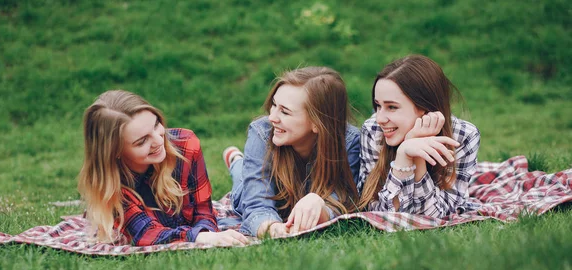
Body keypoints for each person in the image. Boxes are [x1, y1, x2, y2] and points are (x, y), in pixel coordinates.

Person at [78, 90, 248, 246]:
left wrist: (208, 233)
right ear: (115, 152)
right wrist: (197, 236)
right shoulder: (112, 185)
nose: (159, 141)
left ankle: (236, 162)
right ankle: (237, 162)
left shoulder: (185, 144)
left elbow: (203, 209)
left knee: (247, 190)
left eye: (156, 124)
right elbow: (146, 232)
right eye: (142, 141)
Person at [223, 66, 360, 238]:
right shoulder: (262, 133)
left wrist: (321, 207)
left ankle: (238, 161)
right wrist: (273, 228)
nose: (272, 117)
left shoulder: (350, 142)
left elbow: (346, 198)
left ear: (317, 123)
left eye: (285, 112)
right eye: (274, 105)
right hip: (252, 187)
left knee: (244, 170)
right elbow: (255, 203)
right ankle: (236, 161)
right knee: (241, 184)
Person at [358, 55, 481, 217]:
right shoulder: (373, 131)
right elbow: (381, 213)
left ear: (424, 107)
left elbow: (434, 215)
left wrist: (417, 154)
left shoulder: (464, 137)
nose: (380, 118)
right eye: (378, 106)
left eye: (392, 107)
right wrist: (403, 154)